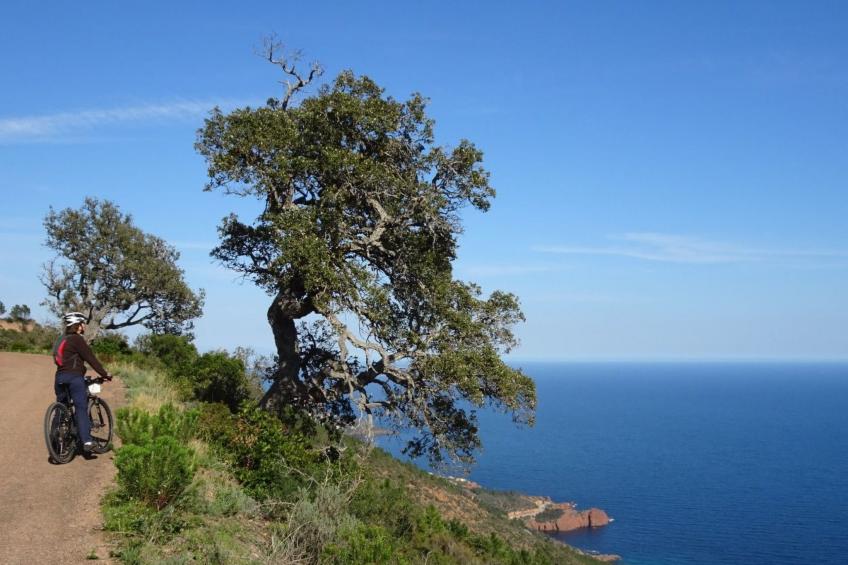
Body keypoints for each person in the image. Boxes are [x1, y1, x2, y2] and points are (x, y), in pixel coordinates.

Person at [52, 312, 112, 452]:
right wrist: (105, 374)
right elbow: (90, 358)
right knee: (80, 407)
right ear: (78, 326)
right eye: (82, 323)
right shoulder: (77, 339)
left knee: (61, 408)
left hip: (59, 378)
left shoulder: (61, 339)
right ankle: (87, 441)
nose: (84, 326)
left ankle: (55, 440)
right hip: (74, 378)